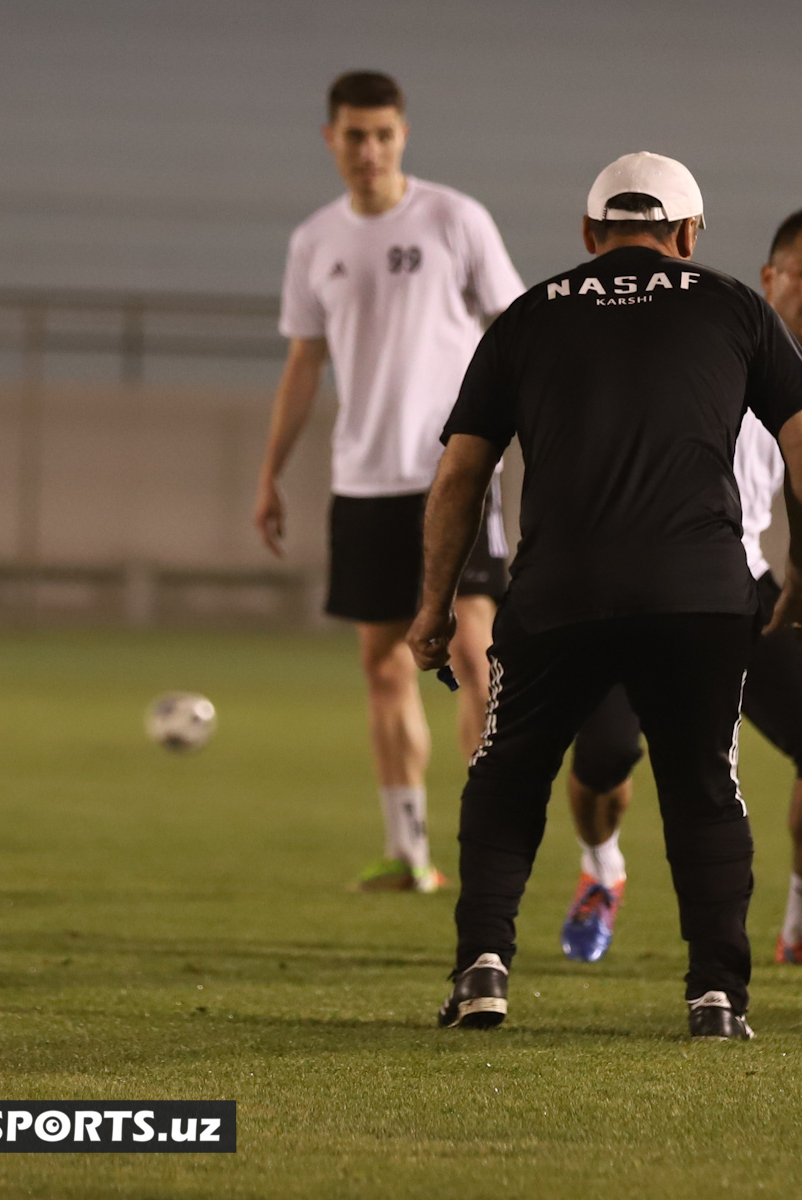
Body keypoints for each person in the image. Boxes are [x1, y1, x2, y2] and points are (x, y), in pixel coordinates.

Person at [407, 153, 802, 1040]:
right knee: (702, 787)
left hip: (559, 593)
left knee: (509, 774)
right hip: (702, 594)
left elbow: (459, 474)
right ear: (688, 235)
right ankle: (717, 995)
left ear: (589, 236)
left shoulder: (528, 314)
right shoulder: (733, 305)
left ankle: (483, 965)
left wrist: (433, 605)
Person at [557, 208, 802, 969]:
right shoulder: (704, 348)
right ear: (770, 276)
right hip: (632, 587)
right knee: (604, 760)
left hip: (737, 586)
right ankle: (602, 874)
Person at [253, 70, 523, 893]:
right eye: (353, 135)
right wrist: (269, 474)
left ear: (402, 135)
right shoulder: (315, 241)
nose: (369, 150)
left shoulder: (453, 218)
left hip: (454, 472)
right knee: (384, 665)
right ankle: (408, 850)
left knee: (476, 655)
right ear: (330, 140)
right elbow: (305, 361)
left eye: (382, 134)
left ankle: (487, 842)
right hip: (362, 481)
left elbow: (516, 328)